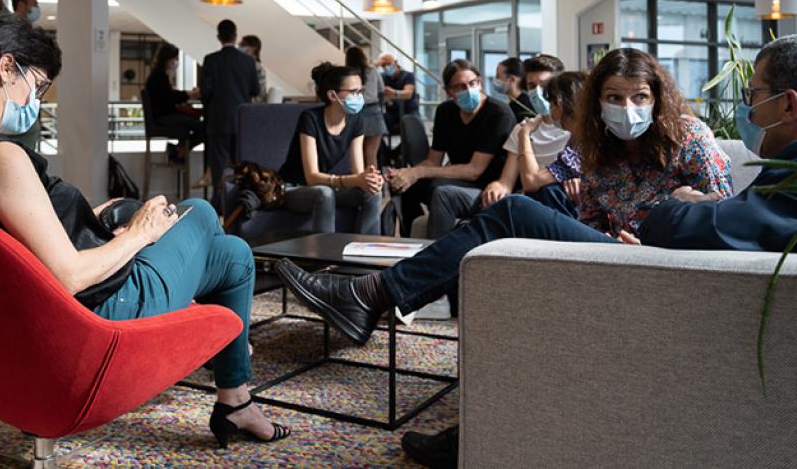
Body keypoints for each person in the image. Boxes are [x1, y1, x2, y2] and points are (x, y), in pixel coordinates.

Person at [275, 40, 797, 468]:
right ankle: (478, 421)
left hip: (657, 265)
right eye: (613, 97)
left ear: (658, 98)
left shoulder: (691, 138)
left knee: (514, 214)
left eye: (639, 97)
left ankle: (374, 293)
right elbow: (587, 205)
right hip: (613, 253)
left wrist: (654, 227)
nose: (627, 109)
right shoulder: (602, 149)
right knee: (519, 222)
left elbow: (720, 221)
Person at [0, 9, 288, 447]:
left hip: (57, 308)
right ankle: (233, 362)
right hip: (105, 307)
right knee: (202, 213)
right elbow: (67, 276)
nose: (38, 98)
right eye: (38, 84)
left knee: (234, 257)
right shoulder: (0, 158)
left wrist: (92, 219)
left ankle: (235, 400)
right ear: (5, 67)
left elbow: (21, 240)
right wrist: (138, 235)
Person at [387, 59, 515, 237]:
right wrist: (405, 174)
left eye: (472, 83)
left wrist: (418, 173)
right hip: (456, 177)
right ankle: (412, 243)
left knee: (439, 188)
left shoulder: (498, 113)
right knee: (401, 186)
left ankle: (438, 252)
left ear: (480, 81)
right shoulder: (445, 112)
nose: (468, 90)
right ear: (448, 91)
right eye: (460, 87)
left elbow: (474, 171)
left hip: (486, 185)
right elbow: (433, 161)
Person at [279, 63, 383, 234]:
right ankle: (324, 257)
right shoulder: (310, 119)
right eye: (353, 92)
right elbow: (311, 177)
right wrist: (354, 179)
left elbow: (358, 173)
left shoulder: (356, 121)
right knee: (324, 194)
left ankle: (365, 251)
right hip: (294, 188)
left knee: (373, 192)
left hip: (325, 187)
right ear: (332, 95)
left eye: (360, 92)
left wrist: (369, 178)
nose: (359, 97)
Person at [479, 54, 569, 209]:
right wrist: (497, 187)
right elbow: (506, 181)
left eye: (544, 85)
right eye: (532, 86)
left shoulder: (575, 128)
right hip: (532, 203)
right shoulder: (522, 129)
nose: (538, 92)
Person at [200, 19, 260, 205]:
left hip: (218, 119)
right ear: (235, 36)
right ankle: (239, 201)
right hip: (242, 120)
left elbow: (205, 92)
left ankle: (219, 202)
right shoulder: (248, 61)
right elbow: (255, 90)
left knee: (218, 164)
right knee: (240, 164)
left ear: (218, 37)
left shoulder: (210, 60)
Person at [516, 71, 587, 217]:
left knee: (537, 196)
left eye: (551, 103)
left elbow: (531, 181)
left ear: (560, 105)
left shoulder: (585, 143)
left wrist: (524, 134)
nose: (550, 110)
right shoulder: (576, 141)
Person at [144, 43, 206, 184]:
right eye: (174, 59)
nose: (175, 62)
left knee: (196, 125)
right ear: (167, 59)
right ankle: (180, 149)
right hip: (163, 118)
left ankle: (179, 149)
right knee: (204, 127)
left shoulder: (157, 75)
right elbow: (169, 98)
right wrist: (189, 94)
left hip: (162, 116)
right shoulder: (159, 76)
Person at [346, 46, 385, 168]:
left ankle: (358, 182)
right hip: (374, 111)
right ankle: (373, 184)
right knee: (371, 155)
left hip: (354, 113)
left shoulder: (347, 74)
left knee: (356, 154)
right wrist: (381, 108)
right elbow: (381, 91)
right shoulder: (373, 71)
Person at [377, 53, 419, 134]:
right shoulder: (382, 77)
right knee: (374, 125)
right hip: (391, 113)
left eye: (389, 64)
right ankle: (382, 147)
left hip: (409, 111)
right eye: (383, 65)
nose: (386, 67)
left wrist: (394, 93)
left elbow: (408, 94)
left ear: (395, 62)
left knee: (413, 130)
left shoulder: (408, 76)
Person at [492, 57, 535, 123]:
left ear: (512, 79)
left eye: (498, 76)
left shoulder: (524, 106)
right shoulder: (513, 103)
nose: (495, 80)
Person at [238, 34, 267, 102]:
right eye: (240, 45)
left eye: (243, 45)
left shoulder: (259, 69)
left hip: (250, 107)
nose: (240, 47)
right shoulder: (239, 65)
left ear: (254, 48)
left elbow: (260, 95)